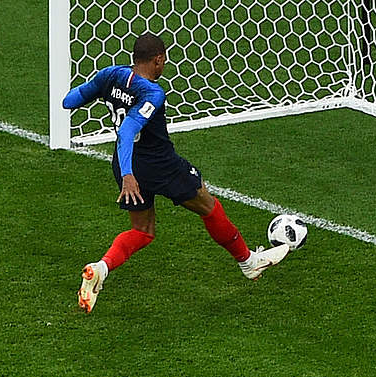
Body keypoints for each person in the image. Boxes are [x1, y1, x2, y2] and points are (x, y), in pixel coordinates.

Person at [62, 33, 289, 313]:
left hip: (124, 164)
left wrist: (103, 94)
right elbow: (129, 130)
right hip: (159, 165)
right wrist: (129, 175)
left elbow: (70, 101)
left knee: (142, 231)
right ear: (158, 60)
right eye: (164, 59)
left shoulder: (110, 75)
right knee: (208, 205)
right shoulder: (152, 93)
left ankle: (101, 269)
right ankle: (248, 262)